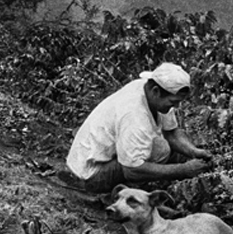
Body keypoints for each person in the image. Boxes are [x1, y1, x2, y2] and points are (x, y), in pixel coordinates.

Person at [65, 62, 213, 193]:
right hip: (91, 174)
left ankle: (152, 186)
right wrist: (182, 171)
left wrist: (194, 151)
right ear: (156, 91)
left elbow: (172, 133)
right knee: (160, 149)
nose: (176, 106)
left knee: (170, 144)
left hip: (104, 158)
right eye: (173, 102)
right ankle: (124, 192)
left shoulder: (149, 90)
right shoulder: (133, 113)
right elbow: (132, 170)